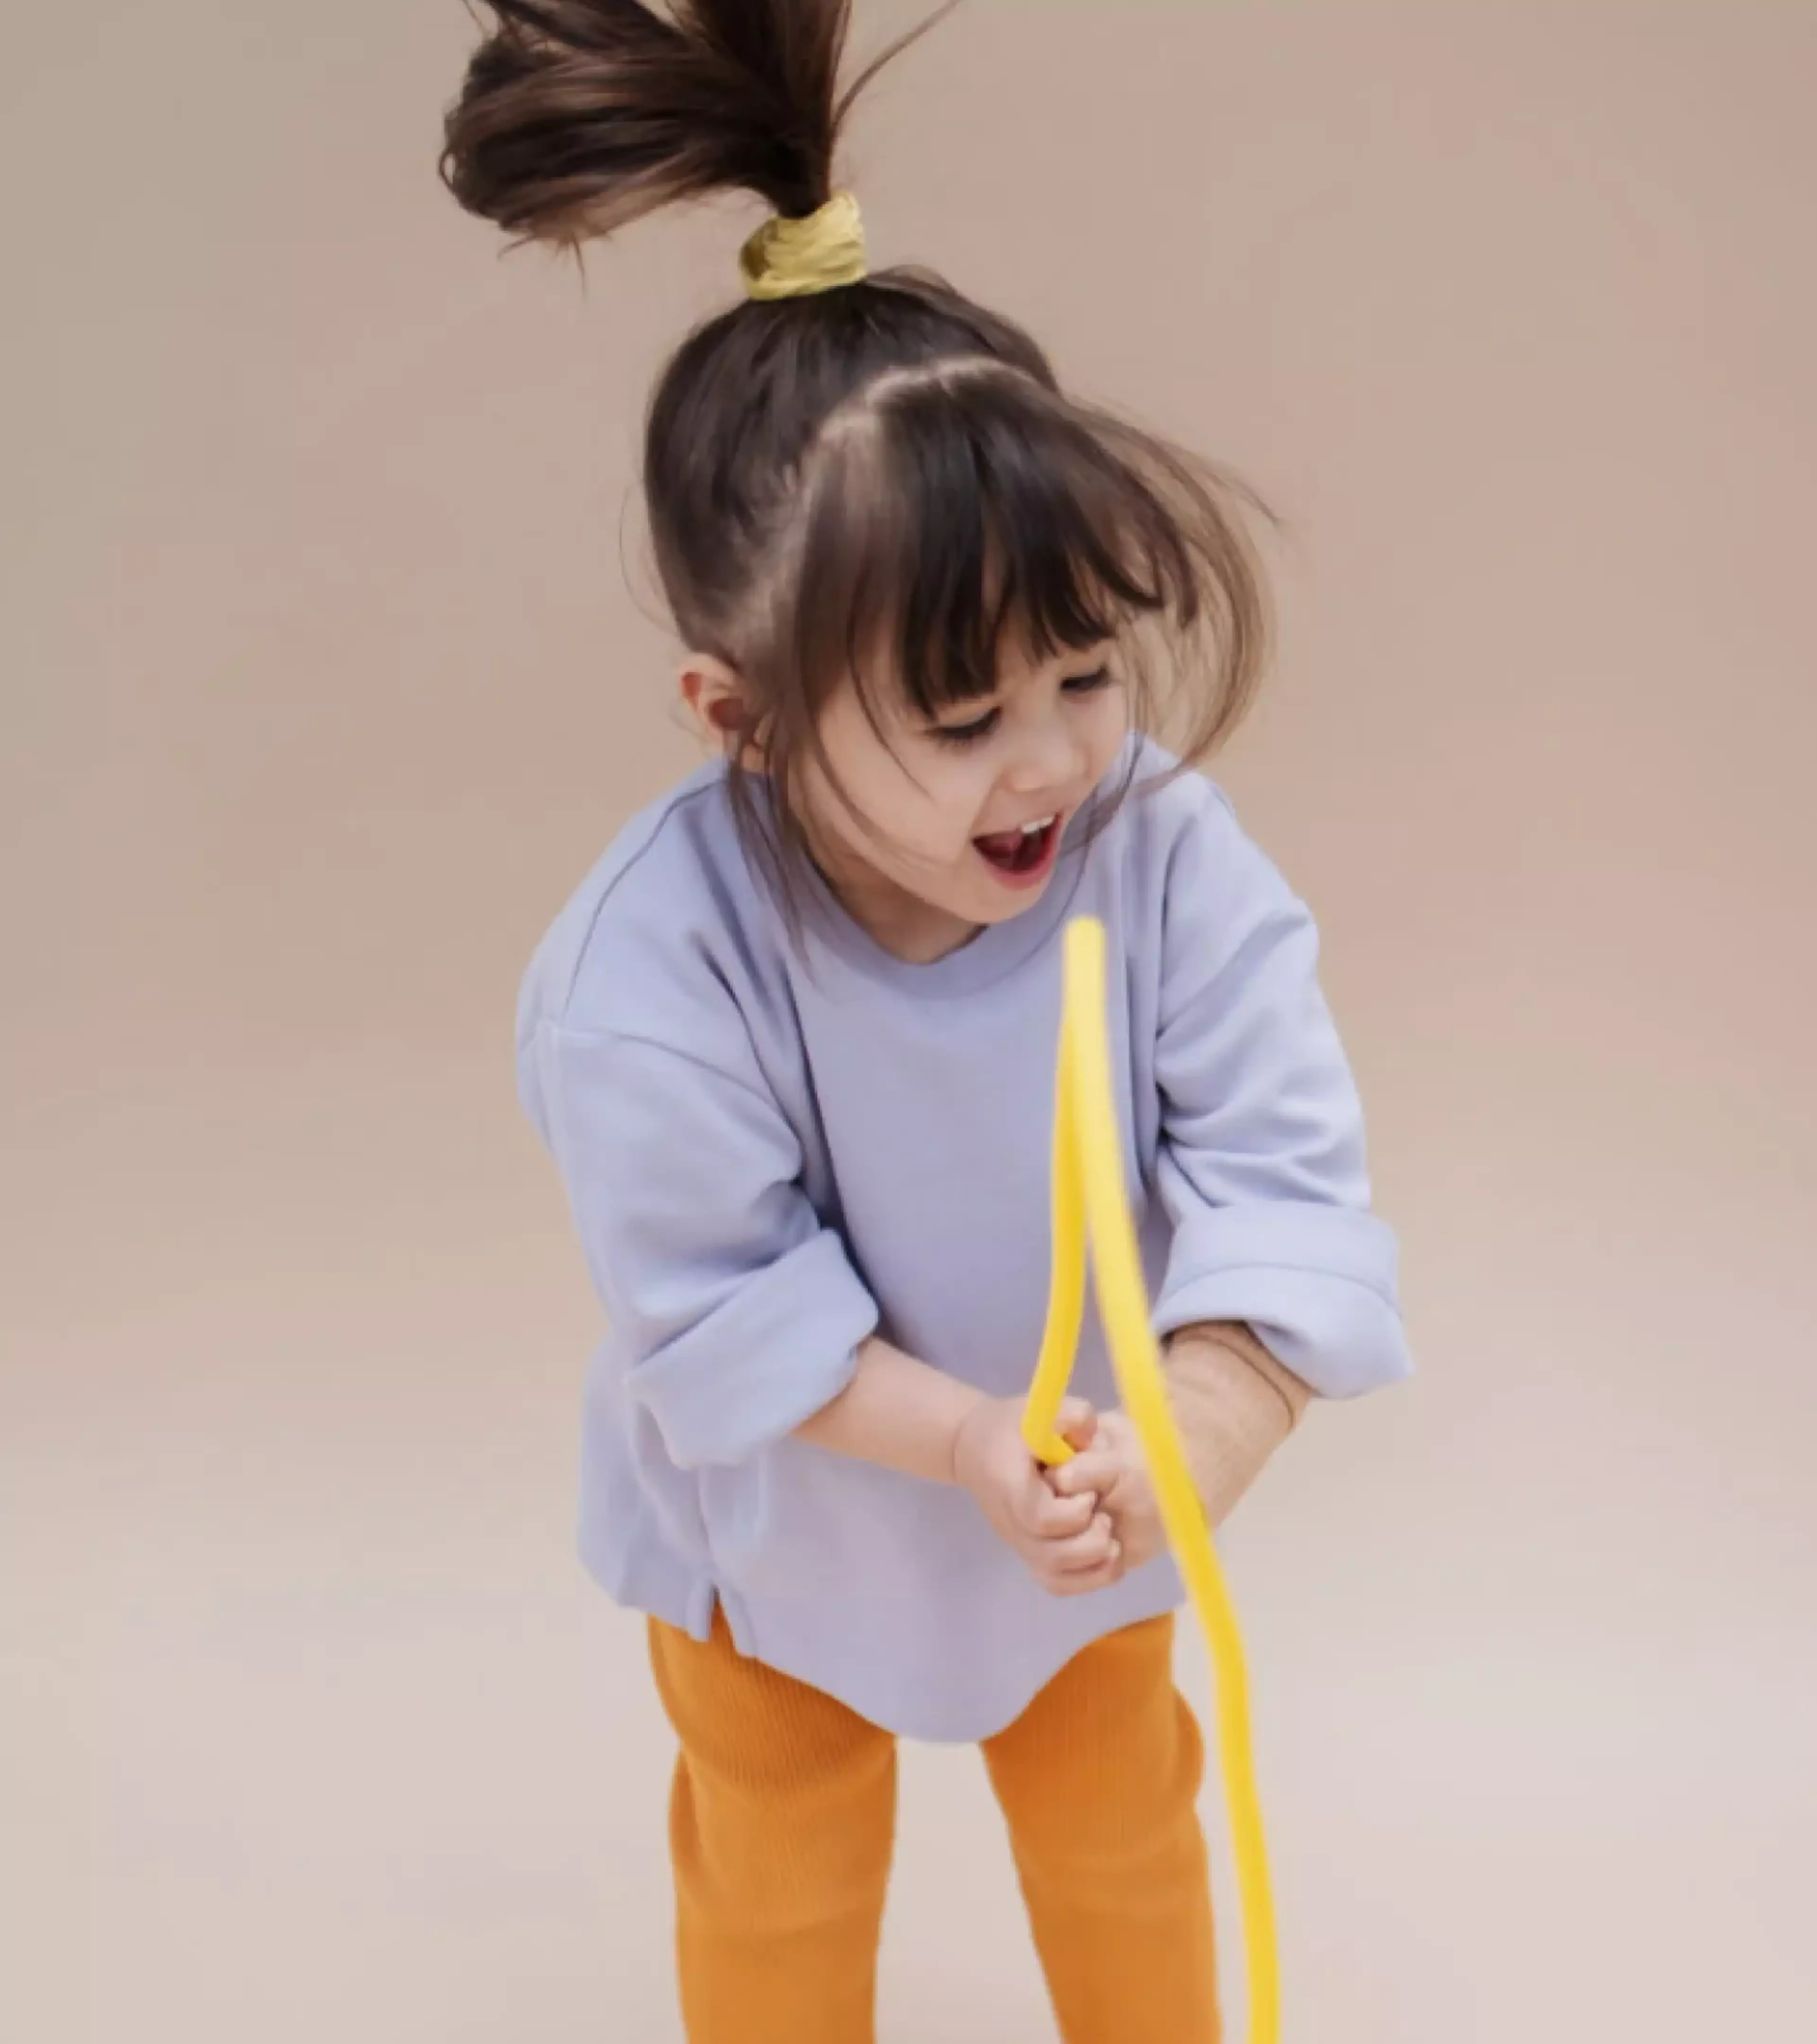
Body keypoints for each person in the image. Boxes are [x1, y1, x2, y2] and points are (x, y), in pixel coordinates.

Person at [440, 4, 1411, 2039]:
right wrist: (960, 1434)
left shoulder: (1161, 851)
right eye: (960, 721)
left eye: (1084, 670)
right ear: (743, 717)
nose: (1050, 764)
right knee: (781, 1878)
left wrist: (1202, 1425)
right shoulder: (650, 968)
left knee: (1129, 1839)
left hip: (1085, 1526)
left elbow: (1279, 1162)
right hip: (786, 1530)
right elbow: (721, 1306)